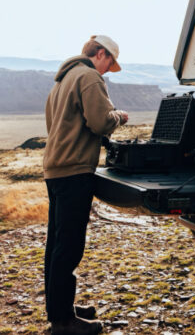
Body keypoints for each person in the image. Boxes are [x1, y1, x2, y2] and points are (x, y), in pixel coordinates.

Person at [43, 35, 128, 334]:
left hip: (55, 169)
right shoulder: (89, 76)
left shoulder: (62, 80)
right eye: (110, 63)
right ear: (100, 54)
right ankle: (64, 323)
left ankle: (59, 308)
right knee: (69, 247)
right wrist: (119, 116)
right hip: (74, 171)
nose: (107, 70)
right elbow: (100, 122)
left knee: (56, 243)